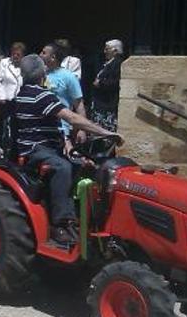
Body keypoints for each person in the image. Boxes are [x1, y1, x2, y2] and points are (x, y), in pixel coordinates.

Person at [13, 54, 121, 246]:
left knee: (85, 164)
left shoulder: (23, 93)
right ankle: (61, 224)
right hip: (35, 149)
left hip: (46, 147)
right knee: (62, 167)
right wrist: (105, 132)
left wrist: (70, 145)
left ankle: (88, 218)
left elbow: (57, 125)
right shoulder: (40, 95)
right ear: (42, 73)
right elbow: (72, 118)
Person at [40, 43, 86, 151]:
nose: (40, 55)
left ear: (53, 57)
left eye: (44, 52)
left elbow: (79, 104)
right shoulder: (40, 75)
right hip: (41, 129)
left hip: (61, 130)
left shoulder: (69, 77)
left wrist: (82, 129)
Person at [0, 42, 25, 145]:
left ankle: (14, 143)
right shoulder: (4, 63)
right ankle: (0, 141)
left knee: (16, 122)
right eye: (14, 53)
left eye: (18, 54)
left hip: (19, 98)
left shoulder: (25, 65)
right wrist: (1, 97)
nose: (15, 56)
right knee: (2, 121)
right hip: (6, 97)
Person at [91, 39, 124, 132]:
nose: (105, 51)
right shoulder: (107, 63)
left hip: (107, 104)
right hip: (101, 104)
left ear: (115, 51)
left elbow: (115, 82)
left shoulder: (117, 63)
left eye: (107, 49)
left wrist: (100, 83)